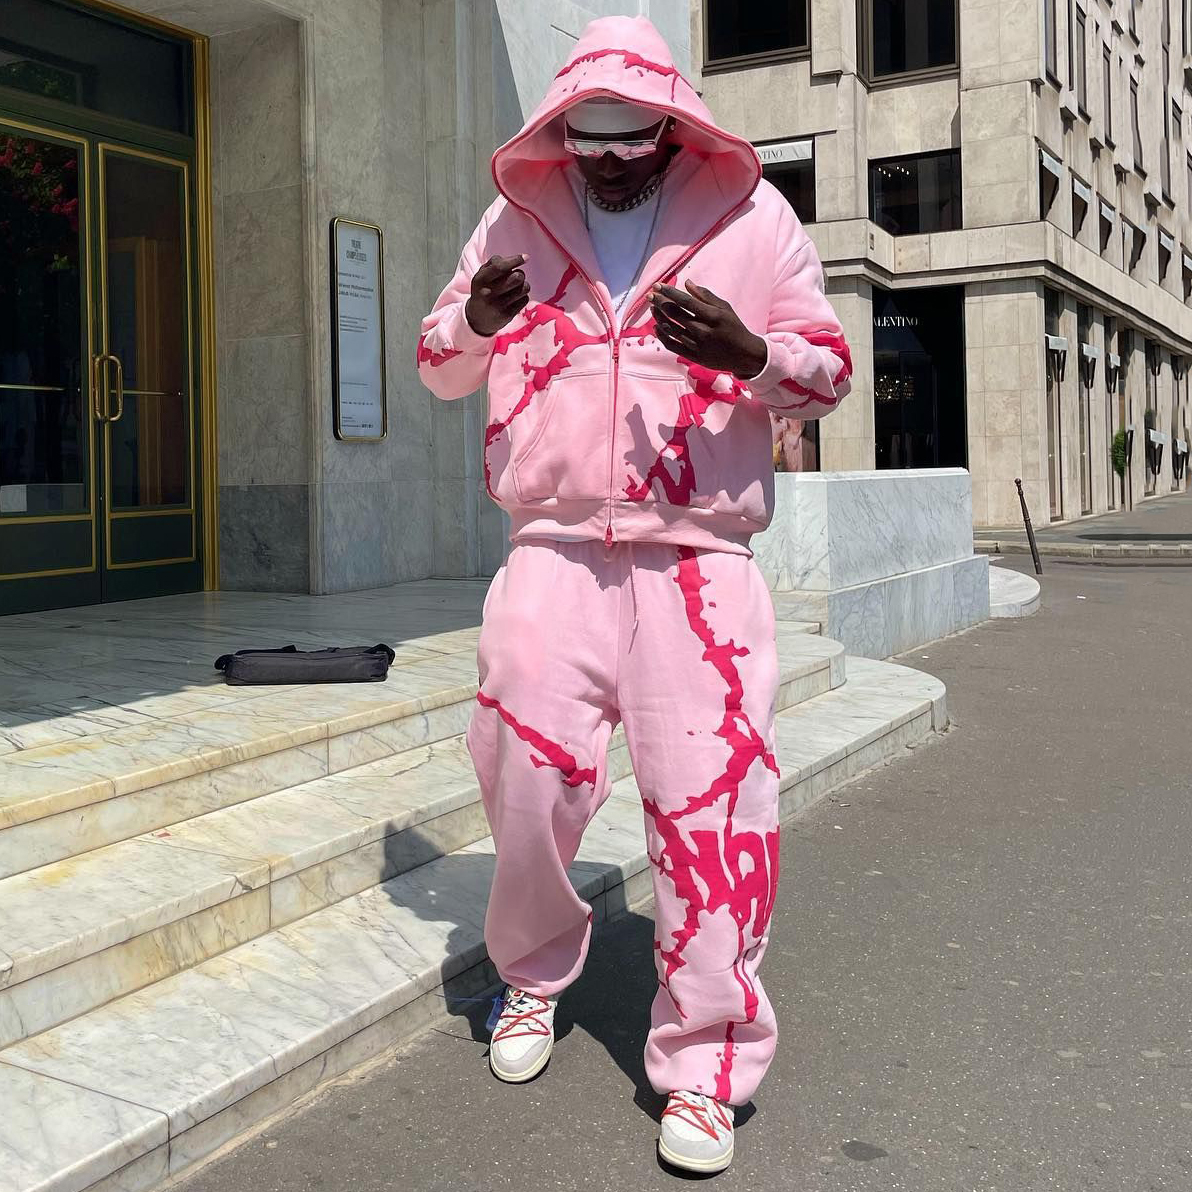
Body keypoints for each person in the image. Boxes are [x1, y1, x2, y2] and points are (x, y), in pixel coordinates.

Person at [417, 14, 850, 1175]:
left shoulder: (752, 218)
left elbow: (829, 372)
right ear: (558, 128)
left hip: (698, 565)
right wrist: (478, 320)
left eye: (629, 138)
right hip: (552, 551)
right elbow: (437, 364)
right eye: (586, 137)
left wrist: (749, 354)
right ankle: (531, 973)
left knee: (713, 809)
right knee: (520, 779)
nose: (607, 160)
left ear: (671, 126)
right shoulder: (513, 219)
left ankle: (705, 1060)